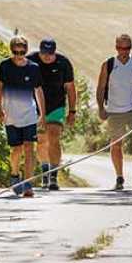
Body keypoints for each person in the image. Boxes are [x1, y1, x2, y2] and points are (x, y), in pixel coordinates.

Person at [96, 34, 132, 191]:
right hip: (114, 110)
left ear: (131, 48)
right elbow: (101, 87)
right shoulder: (108, 64)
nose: (124, 51)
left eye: (127, 48)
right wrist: (101, 108)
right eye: (120, 48)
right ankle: (119, 177)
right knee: (116, 144)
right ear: (116, 47)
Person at [0, 35, 45, 198]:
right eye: (15, 51)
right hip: (11, 114)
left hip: (29, 114)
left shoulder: (34, 68)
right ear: (12, 50)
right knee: (16, 149)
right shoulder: (4, 66)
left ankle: (28, 184)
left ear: (26, 50)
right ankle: (15, 175)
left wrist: (42, 114)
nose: (19, 55)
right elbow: (0, 87)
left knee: (29, 148)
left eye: (22, 51)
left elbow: (38, 90)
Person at [26, 38, 76, 191]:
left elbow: (70, 88)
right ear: (39, 51)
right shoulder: (30, 61)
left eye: (50, 54)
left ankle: (54, 175)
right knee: (41, 140)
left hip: (56, 106)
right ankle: (45, 171)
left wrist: (72, 111)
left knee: (54, 137)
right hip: (35, 107)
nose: (47, 57)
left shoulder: (63, 63)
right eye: (44, 53)